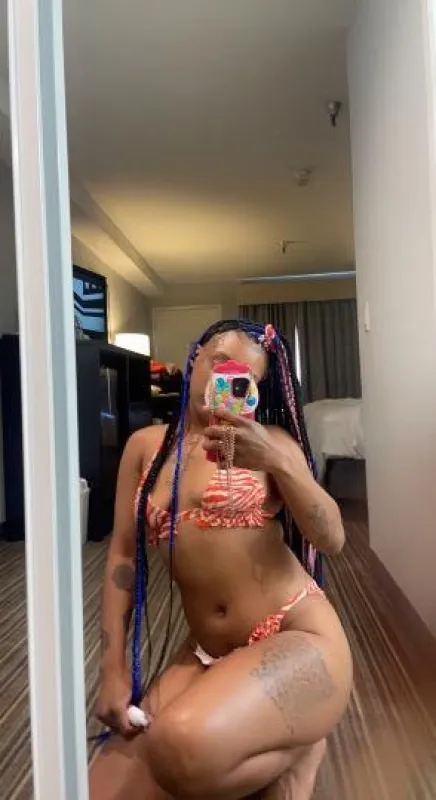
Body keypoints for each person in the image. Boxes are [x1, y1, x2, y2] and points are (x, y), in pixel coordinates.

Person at [89, 319, 352, 800]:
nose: (231, 380)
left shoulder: (272, 442)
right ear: (194, 360)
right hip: (206, 651)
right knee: (102, 788)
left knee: (177, 746)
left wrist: (277, 462)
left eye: (246, 377)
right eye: (221, 364)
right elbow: (122, 555)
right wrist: (112, 667)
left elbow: (331, 537)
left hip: (296, 635)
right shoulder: (145, 447)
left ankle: (301, 745)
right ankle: (276, 737)